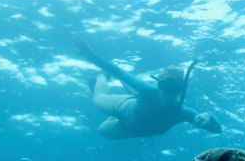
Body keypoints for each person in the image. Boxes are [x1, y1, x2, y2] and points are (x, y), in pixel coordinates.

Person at [73, 36, 222, 139]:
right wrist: (89, 55)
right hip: (123, 107)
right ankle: (101, 78)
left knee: (102, 131)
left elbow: (217, 130)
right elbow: (118, 72)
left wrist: (209, 116)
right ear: (158, 84)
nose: (169, 88)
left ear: (182, 88)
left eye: (174, 84)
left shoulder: (184, 112)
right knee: (97, 98)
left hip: (131, 128)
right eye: (165, 83)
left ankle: (131, 99)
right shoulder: (148, 90)